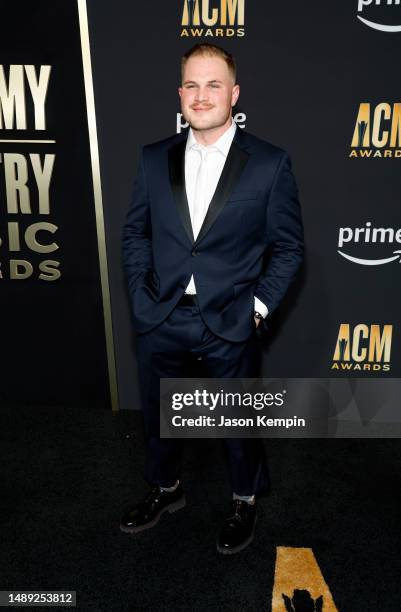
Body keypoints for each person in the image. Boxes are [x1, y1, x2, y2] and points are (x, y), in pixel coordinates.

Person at [121, 43, 304, 554]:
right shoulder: (153, 157)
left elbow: (289, 247)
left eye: (214, 85)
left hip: (230, 318)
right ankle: (165, 488)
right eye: (193, 86)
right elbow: (135, 233)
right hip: (162, 314)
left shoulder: (269, 163)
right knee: (158, 413)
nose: (203, 96)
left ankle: (244, 498)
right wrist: (140, 293)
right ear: (180, 94)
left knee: (237, 421)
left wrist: (259, 307)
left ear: (234, 93)